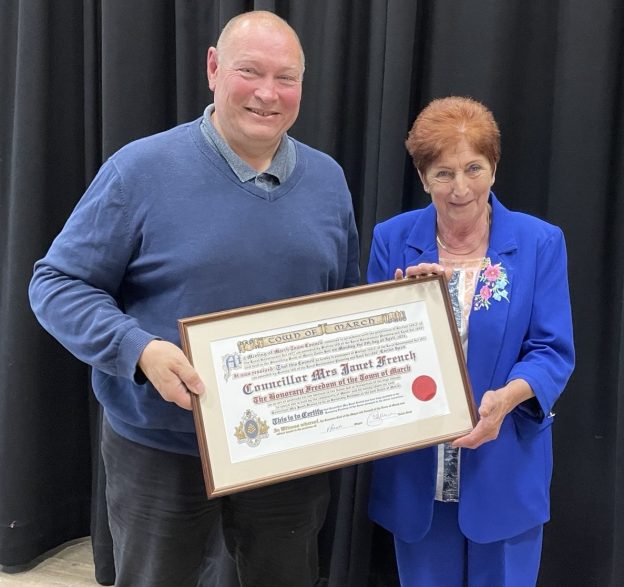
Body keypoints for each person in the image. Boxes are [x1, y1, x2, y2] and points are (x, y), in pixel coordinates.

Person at [29, 10, 359, 587]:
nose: (267, 93)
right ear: (212, 68)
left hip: (286, 450)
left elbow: (342, 302)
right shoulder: (140, 170)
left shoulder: (329, 180)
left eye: (286, 78)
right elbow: (56, 284)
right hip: (162, 448)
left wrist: (407, 312)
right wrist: (139, 350)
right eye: (249, 71)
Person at [367, 96, 574, 586]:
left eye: (473, 168)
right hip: (417, 473)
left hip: (504, 469)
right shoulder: (391, 240)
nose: (461, 188)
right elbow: (372, 352)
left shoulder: (539, 242)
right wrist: (403, 303)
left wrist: (507, 399)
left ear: (494, 168)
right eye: (443, 173)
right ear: (422, 179)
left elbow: (552, 350)